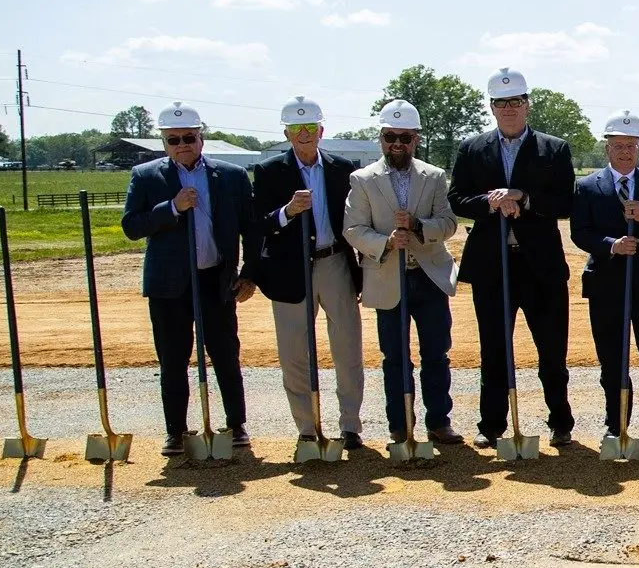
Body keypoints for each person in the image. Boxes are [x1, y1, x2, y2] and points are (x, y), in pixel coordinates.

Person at [447, 68, 577, 449]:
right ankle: (491, 425)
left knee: (552, 350)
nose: (509, 109)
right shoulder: (472, 148)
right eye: (501, 103)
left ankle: (561, 421)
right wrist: (489, 202)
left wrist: (524, 197)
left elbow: (565, 203)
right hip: (493, 264)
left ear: (527, 106)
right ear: (491, 107)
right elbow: (457, 199)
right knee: (494, 350)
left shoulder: (554, 148)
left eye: (516, 102)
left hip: (541, 266)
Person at [121, 102, 258, 456]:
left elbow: (251, 229)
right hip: (169, 286)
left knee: (226, 354)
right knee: (173, 358)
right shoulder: (146, 176)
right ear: (164, 142)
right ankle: (176, 430)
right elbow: (132, 226)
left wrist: (249, 274)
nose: (182, 144)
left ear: (202, 137)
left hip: (217, 281)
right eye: (173, 139)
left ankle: (236, 425)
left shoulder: (230, 176)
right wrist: (171, 208)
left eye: (189, 137)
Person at [342, 99, 465, 445]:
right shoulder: (363, 180)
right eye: (390, 136)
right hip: (387, 277)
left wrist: (419, 227)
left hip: (428, 276)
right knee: (395, 358)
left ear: (416, 139)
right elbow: (352, 229)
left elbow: (449, 222)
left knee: (437, 354)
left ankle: (439, 422)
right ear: (380, 138)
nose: (397, 143)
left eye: (405, 137)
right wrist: (385, 242)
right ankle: (400, 426)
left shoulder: (434, 176)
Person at [247, 96, 366, 449]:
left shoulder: (341, 168)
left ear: (321, 131)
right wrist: (287, 211)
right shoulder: (269, 171)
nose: (304, 134)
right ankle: (307, 426)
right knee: (295, 353)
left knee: (348, 347)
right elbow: (258, 225)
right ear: (286, 133)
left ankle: (350, 425)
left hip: (335, 263)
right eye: (297, 129)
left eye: (310, 128)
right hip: (289, 269)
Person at [569, 110, 639, 447]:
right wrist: (612, 246)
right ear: (607, 147)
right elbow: (580, 232)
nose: (625, 151)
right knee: (612, 361)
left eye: (631, 146)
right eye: (618, 145)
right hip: (606, 284)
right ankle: (616, 424)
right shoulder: (587, 186)